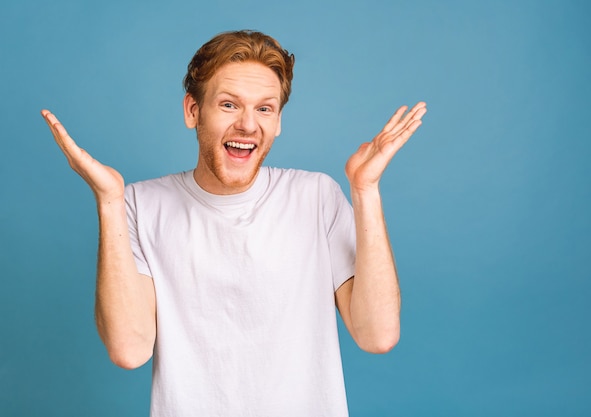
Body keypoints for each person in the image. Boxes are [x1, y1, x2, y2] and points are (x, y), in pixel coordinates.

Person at [42, 30, 427, 417]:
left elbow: (377, 335)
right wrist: (109, 202)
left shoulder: (317, 198)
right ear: (193, 111)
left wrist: (365, 190)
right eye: (229, 105)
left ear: (278, 121)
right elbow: (129, 349)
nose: (247, 125)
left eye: (265, 108)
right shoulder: (140, 205)